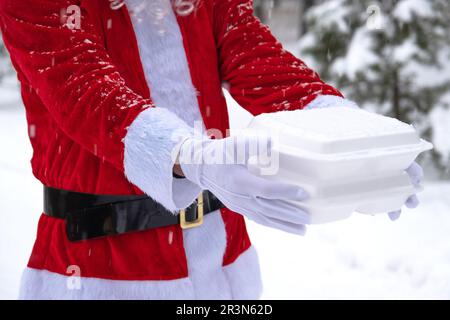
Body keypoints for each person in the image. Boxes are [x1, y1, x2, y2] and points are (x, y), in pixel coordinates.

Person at [0, 0, 422, 300]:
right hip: (98, 266)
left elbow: (259, 59)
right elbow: (81, 86)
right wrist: (190, 156)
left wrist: (358, 140)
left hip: (221, 260)